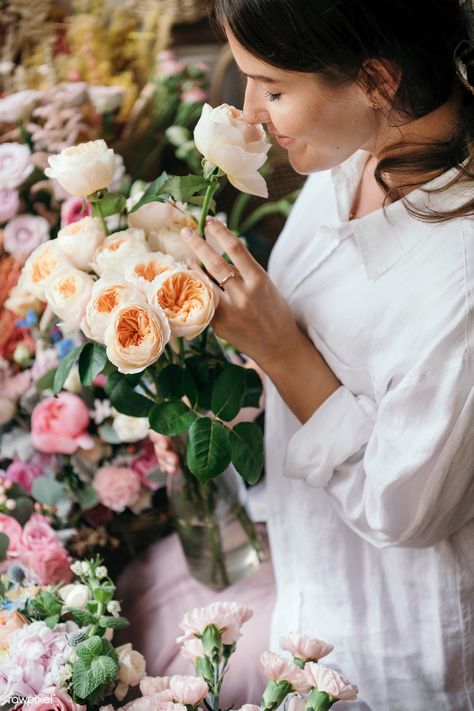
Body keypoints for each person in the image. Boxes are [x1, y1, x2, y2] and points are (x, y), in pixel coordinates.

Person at [178, 1, 474, 708]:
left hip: (392, 645)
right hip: (309, 582)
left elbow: (403, 509)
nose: (249, 114)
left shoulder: (460, 277)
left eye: (273, 89)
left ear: (377, 79)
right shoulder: (353, 156)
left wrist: (279, 349)